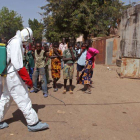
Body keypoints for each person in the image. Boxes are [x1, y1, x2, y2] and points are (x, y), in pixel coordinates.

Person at [0, 27, 49, 131]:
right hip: (13, 75)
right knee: (23, 97)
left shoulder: (12, 40)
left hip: (8, 74)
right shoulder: (16, 42)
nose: (27, 43)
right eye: (28, 40)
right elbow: (18, 65)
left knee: (6, 98)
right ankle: (33, 123)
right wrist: (28, 80)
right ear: (27, 37)